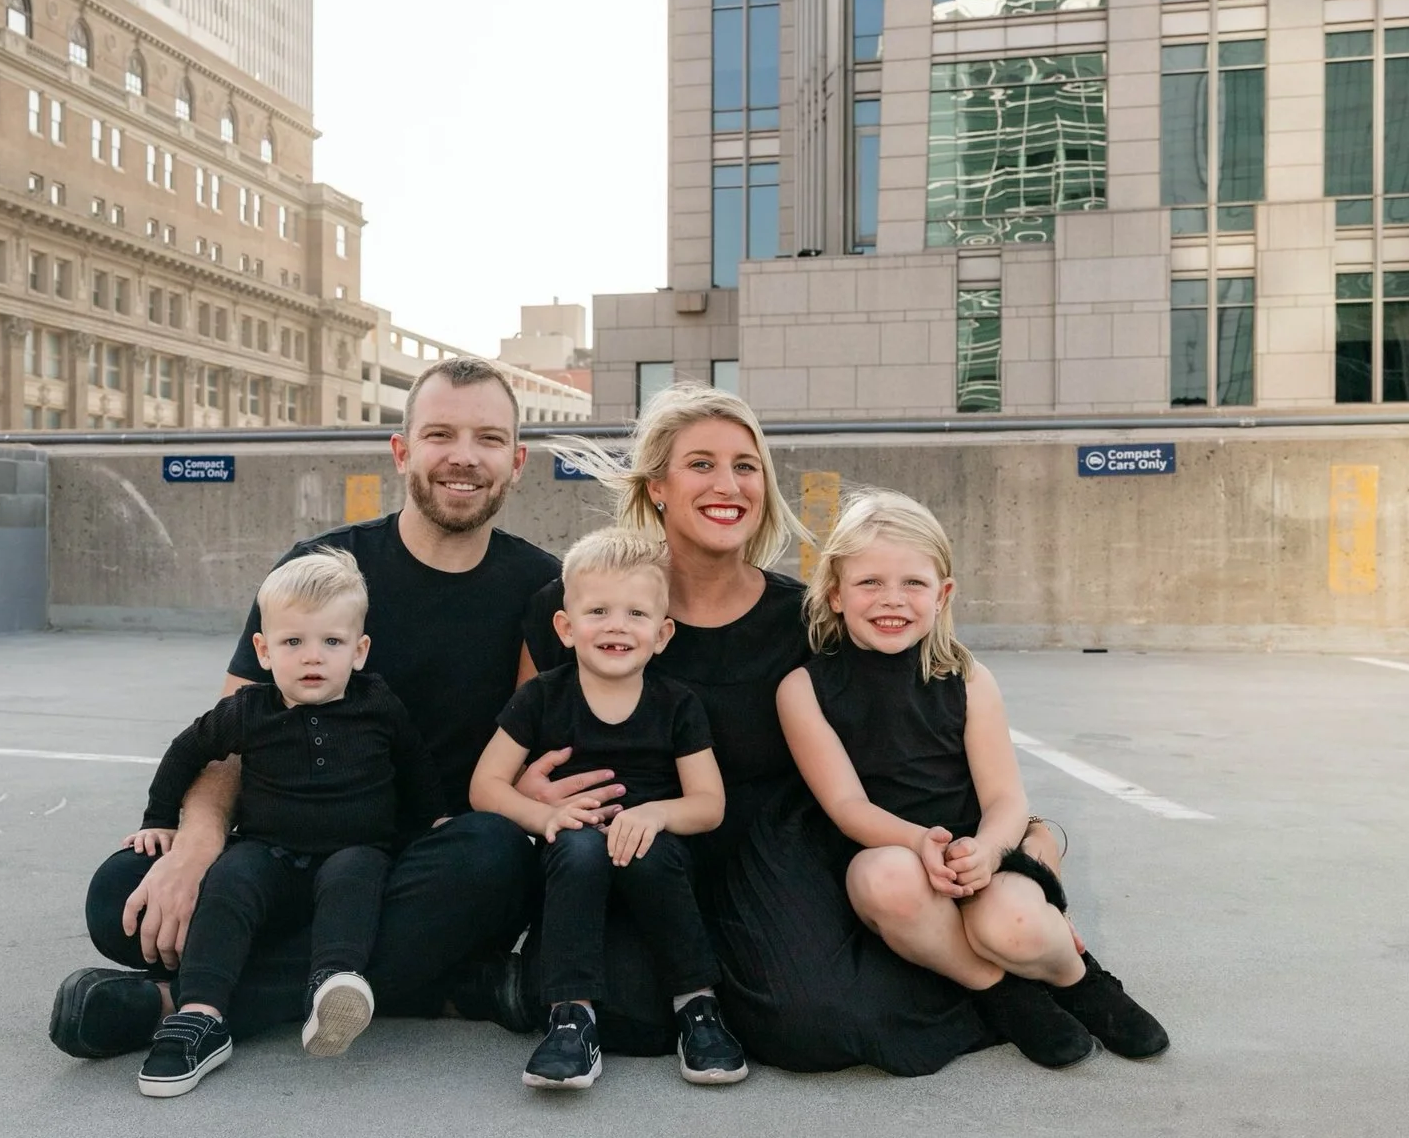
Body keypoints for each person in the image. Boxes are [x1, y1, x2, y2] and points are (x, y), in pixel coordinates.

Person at [50, 358, 562, 1061]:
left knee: (498, 856)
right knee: (120, 899)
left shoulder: (540, 586)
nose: (464, 457)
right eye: (440, 433)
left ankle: (183, 1002)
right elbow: (229, 736)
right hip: (284, 850)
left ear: (518, 460)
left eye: (489, 439)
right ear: (402, 449)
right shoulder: (324, 568)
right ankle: (436, 981)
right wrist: (195, 846)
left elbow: (552, 734)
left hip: (423, 859)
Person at [530, 385, 1001, 1074]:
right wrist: (529, 791)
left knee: (811, 1026)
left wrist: (1024, 831)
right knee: (633, 1016)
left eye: (746, 465)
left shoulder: (803, 620)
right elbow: (524, 731)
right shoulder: (588, 605)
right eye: (701, 464)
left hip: (774, 857)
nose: (729, 484)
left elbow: (901, 732)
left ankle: (996, 986)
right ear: (657, 485)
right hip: (640, 855)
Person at [775, 490, 1169, 1067]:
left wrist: (986, 850)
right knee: (885, 878)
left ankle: (1079, 980)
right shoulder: (803, 689)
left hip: (981, 851)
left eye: (913, 583)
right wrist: (916, 842)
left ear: (943, 594)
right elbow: (845, 804)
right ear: (835, 593)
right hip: (892, 853)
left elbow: (1006, 797)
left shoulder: (967, 677)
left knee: (1011, 925)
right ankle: (1001, 993)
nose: (892, 600)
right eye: (869, 583)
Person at [125, 549, 441, 1096]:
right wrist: (160, 821)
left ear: (359, 651)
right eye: (293, 643)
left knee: (355, 880)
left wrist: (432, 821)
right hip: (268, 848)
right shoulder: (250, 709)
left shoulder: (378, 703)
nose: (312, 657)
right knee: (226, 885)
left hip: (354, 846)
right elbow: (186, 751)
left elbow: (413, 763)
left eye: (331, 643)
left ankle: (332, 986)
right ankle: (200, 1016)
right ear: (264, 651)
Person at [472, 529, 749, 1090]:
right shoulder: (543, 697)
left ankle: (698, 1009)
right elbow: (486, 785)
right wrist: (542, 816)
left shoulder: (676, 705)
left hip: (656, 849)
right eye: (598, 610)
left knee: (651, 854)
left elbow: (709, 804)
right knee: (575, 849)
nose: (617, 625)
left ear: (662, 633)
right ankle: (571, 1020)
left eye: (636, 613)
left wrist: (656, 815)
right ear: (566, 628)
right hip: (573, 845)